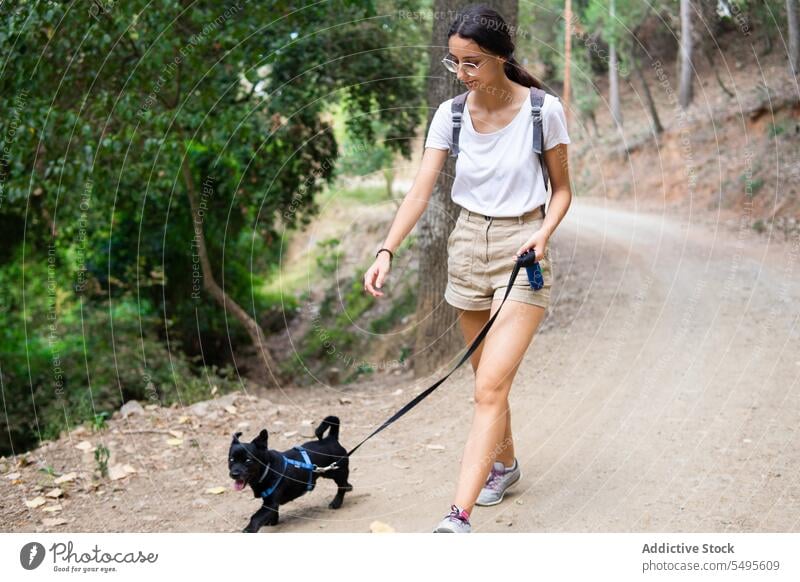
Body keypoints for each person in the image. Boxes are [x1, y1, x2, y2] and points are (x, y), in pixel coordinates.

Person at [363, 4, 572, 533]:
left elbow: (564, 190)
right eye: (454, 62)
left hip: (521, 248)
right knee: (487, 380)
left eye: (472, 62)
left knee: (487, 390)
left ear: (501, 57)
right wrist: (386, 249)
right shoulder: (450, 114)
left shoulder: (543, 111)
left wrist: (542, 234)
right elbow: (421, 189)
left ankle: (457, 517)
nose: (462, 74)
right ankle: (505, 463)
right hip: (466, 248)